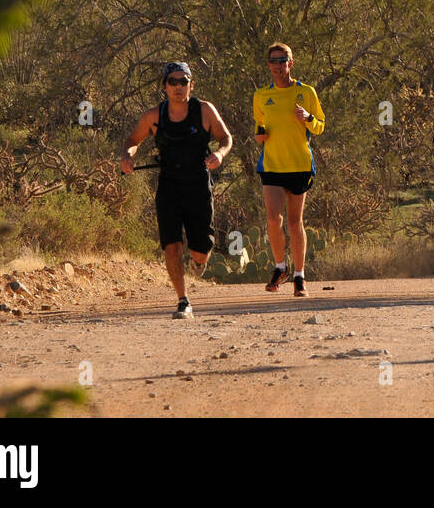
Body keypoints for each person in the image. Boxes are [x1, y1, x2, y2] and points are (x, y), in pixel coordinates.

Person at [121, 61, 233, 319]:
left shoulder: (204, 110)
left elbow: (226, 138)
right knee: (171, 246)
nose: (179, 86)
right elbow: (132, 140)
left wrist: (220, 153)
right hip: (169, 184)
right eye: (173, 81)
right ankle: (183, 300)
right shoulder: (154, 116)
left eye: (184, 81)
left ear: (191, 84)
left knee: (200, 250)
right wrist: (127, 156)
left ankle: (199, 261)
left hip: (198, 184)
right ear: (164, 87)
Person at [253, 43, 325, 296]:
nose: (278, 65)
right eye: (273, 61)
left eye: (283, 60)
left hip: (299, 165)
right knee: (274, 219)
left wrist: (307, 118)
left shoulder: (306, 92)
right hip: (272, 165)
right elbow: (260, 126)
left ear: (291, 63)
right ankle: (280, 267)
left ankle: (299, 276)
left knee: (295, 222)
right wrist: (259, 137)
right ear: (269, 65)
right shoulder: (261, 96)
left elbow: (319, 126)